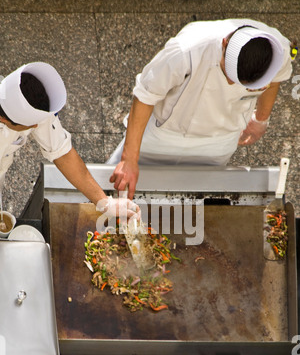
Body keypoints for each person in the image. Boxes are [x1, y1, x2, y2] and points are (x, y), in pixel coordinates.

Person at [107, 19, 293, 199]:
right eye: (227, 73)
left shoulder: (280, 52)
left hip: (219, 142)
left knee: (196, 202)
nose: (229, 83)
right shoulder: (185, 50)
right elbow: (146, 95)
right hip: (163, 135)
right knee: (116, 188)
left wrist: (261, 120)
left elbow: (276, 79)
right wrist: (129, 159)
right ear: (224, 43)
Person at [0, 62, 138, 218]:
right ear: (3, 119)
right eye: (31, 125)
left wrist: (105, 203)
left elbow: (63, 154)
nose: (37, 126)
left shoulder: (23, 104)